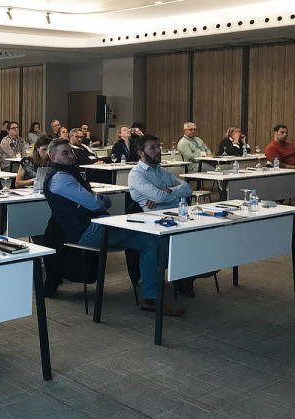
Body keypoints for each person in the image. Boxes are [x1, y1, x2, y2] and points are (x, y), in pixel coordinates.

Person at [43, 138, 183, 316]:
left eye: (71, 151)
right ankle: (151, 296)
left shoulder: (67, 174)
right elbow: (95, 203)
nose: (71, 156)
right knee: (148, 237)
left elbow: (94, 200)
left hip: (94, 224)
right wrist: (99, 200)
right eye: (65, 153)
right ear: (52, 157)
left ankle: (152, 295)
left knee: (149, 238)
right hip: (87, 231)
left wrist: (98, 199)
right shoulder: (60, 178)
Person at [128, 134, 196, 297]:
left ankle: (184, 278)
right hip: (156, 222)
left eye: (158, 146)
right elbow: (159, 197)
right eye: (152, 148)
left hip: (178, 215)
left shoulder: (163, 171)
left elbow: (188, 189)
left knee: (197, 236)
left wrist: (168, 190)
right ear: (140, 153)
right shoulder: (136, 174)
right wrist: (172, 193)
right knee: (180, 239)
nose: (158, 150)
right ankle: (177, 279)